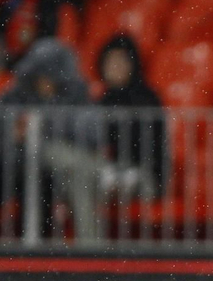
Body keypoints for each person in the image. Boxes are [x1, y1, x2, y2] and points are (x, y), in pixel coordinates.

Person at [0, 39, 96, 239]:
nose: (46, 82)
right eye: (42, 76)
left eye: (51, 77)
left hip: (49, 170)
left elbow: (87, 137)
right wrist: (11, 134)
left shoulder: (76, 98)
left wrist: (43, 134)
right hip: (9, 163)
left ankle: (39, 260)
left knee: (40, 195)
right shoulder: (13, 96)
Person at [43, 34, 166, 242]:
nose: (115, 66)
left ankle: (91, 252)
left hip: (141, 177)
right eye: (110, 60)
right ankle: (92, 252)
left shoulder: (146, 98)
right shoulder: (100, 100)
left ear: (132, 64)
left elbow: (147, 151)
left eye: (121, 60)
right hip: (104, 172)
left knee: (76, 177)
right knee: (75, 178)